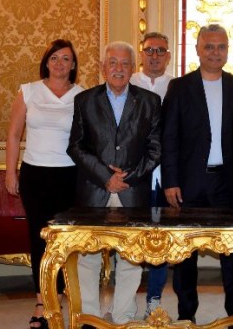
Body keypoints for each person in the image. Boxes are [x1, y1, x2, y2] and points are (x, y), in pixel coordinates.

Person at [162, 24, 233, 323]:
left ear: (228, 50)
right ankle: (186, 316)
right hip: (189, 183)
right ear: (198, 50)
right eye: (209, 46)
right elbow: (169, 137)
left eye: (221, 47)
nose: (216, 52)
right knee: (184, 256)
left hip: (228, 183)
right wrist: (171, 180)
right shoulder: (179, 87)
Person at [67, 41, 162, 324]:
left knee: (131, 257)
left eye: (124, 63)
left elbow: (155, 149)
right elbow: (76, 146)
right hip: (94, 190)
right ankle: (90, 317)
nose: (118, 69)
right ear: (102, 68)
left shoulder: (150, 101)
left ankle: (123, 316)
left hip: (132, 191)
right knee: (88, 256)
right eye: (112, 63)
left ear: (133, 68)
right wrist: (105, 177)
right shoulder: (85, 100)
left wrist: (127, 178)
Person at [5, 39, 84, 329]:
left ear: (73, 65)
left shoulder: (81, 95)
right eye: (54, 58)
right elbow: (14, 134)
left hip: (69, 177)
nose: (60, 63)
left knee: (63, 241)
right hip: (35, 176)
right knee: (39, 239)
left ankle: (59, 299)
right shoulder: (29, 91)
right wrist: (10, 173)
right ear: (46, 62)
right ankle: (42, 302)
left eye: (66, 59)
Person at [129, 31, 172, 317]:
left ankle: (154, 299)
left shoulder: (178, 86)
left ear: (168, 56)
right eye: (149, 50)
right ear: (141, 54)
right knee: (130, 237)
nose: (154, 56)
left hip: (164, 175)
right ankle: (124, 301)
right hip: (133, 174)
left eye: (160, 51)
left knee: (160, 238)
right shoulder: (127, 82)